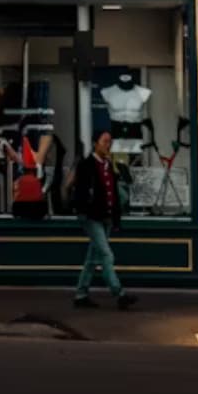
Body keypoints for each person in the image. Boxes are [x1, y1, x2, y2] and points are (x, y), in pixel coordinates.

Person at [72, 129, 138, 310]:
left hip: (105, 217)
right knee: (106, 255)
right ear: (95, 143)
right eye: (104, 141)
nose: (107, 145)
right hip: (92, 217)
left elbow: (114, 194)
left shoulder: (109, 165)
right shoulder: (86, 165)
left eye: (109, 142)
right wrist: (83, 210)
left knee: (93, 258)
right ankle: (119, 293)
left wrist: (116, 219)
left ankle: (81, 294)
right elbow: (81, 192)